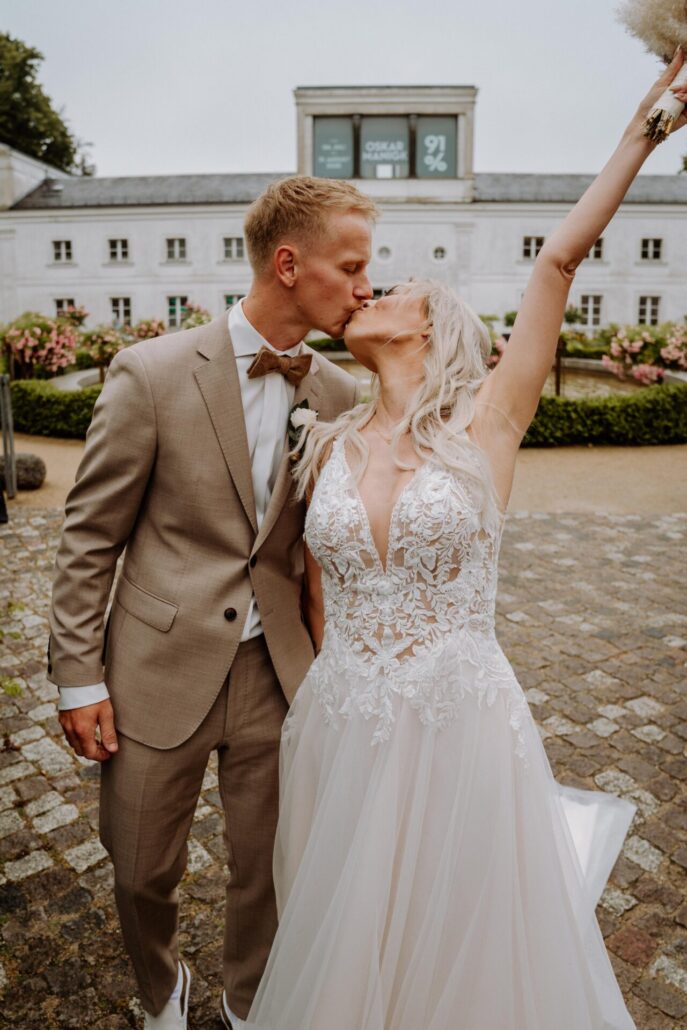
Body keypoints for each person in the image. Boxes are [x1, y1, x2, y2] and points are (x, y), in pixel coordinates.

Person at [244, 52, 687, 1029]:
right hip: (342, 725)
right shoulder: (326, 440)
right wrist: (327, 694)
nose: (368, 292)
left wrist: (646, 128)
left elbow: (557, 261)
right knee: (350, 939)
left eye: (392, 287)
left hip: (459, 725)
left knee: (459, 942)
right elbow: (314, 593)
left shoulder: (488, 425)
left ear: (432, 327)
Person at [47, 175, 376, 1029]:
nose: (364, 286)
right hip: (155, 665)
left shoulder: (338, 394)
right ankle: (161, 990)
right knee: (138, 868)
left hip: (278, 671)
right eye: (350, 267)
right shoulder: (151, 373)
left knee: (268, 868)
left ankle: (249, 1001)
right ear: (288, 264)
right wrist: (78, 678)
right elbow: (91, 535)